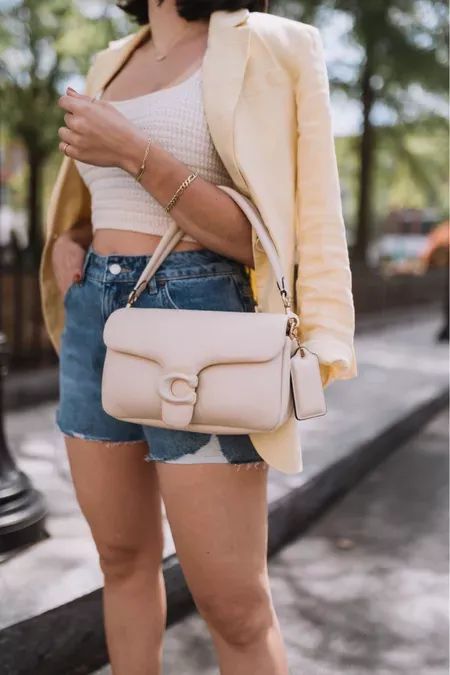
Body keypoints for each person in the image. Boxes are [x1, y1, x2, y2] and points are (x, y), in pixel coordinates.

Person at [39, 0, 357, 672]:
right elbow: (103, 201)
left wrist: (132, 150)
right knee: (122, 562)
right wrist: (71, 239)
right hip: (98, 320)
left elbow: (279, 234)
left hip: (207, 318)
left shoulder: (276, 46)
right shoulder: (112, 58)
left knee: (232, 602)